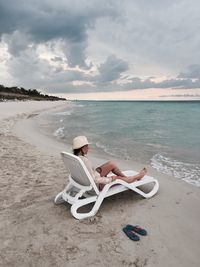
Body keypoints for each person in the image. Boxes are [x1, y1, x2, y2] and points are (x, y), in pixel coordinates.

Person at [72, 136, 147, 190]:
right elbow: (94, 180)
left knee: (111, 164)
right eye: (87, 146)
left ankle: (126, 178)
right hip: (96, 185)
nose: (88, 148)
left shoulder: (75, 158)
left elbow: (89, 174)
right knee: (117, 178)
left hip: (87, 180)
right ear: (82, 148)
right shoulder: (85, 161)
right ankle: (137, 176)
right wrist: (110, 179)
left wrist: (98, 172)